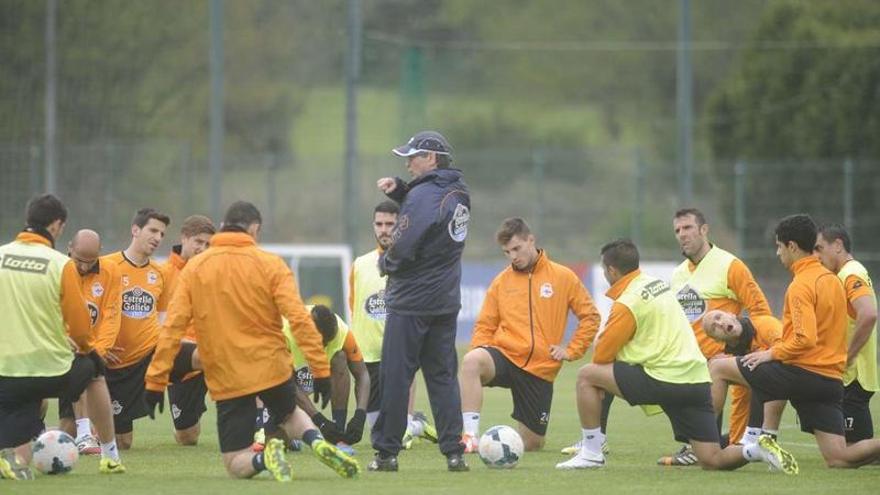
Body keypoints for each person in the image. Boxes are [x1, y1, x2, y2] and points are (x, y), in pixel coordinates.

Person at [144, 201, 360, 481]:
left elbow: (172, 327)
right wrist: (320, 370)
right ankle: (317, 441)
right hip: (271, 367)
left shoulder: (195, 268)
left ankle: (262, 459)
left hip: (227, 372)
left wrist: (155, 380)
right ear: (254, 229)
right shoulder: (271, 264)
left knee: (235, 462)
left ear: (222, 228)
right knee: (290, 412)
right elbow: (299, 319)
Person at [556, 239, 793, 473]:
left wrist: (614, 344)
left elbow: (602, 355)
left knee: (587, 375)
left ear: (610, 270)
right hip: (697, 380)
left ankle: (591, 452)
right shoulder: (656, 284)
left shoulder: (627, 302)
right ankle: (755, 450)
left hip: (664, 379)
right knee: (712, 459)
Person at [709, 214, 880, 468]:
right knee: (839, 457)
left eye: (779, 246)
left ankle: (704, 443)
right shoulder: (833, 280)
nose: (778, 253)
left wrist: (770, 353)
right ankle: (766, 438)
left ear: (792, 247)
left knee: (718, 366)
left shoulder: (800, 285)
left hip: (803, 374)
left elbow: (804, 339)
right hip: (830, 381)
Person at [0, 195, 125, 480]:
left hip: (5, 373)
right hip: (46, 371)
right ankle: (109, 454)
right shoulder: (59, 264)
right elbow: (81, 330)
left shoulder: (1, 255)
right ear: (57, 226)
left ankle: (13, 457)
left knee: (18, 432)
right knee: (94, 370)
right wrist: (87, 349)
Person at [370, 130, 470, 472]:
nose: (409, 163)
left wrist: (386, 262)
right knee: (443, 378)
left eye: (413, 157)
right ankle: (454, 451)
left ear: (432, 158)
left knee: (396, 377)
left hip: (411, 302)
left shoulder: (424, 195)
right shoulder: (459, 191)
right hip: (445, 301)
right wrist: (402, 192)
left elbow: (408, 239)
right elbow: (434, 221)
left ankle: (386, 453)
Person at [459, 217, 600, 452]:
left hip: (540, 370)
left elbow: (591, 317)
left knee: (532, 444)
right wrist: (481, 348)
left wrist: (572, 349)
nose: (513, 256)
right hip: (506, 356)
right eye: (507, 252)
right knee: (472, 361)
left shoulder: (563, 277)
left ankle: (504, 443)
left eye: (517, 248)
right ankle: (470, 436)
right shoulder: (501, 282)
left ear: (530, 240)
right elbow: (485, 325)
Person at [660, 208, 772, 465]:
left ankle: (706, 447)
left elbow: (760, 311)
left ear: (704, 229)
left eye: (687, 228)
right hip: (689, 361)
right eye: (677, 230)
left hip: (720, 360)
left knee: (717, 429)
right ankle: (699, 445)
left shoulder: (730, 265)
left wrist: (746, 349)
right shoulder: (678, 274)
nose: (682, 235)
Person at [349, 200, 436, 449]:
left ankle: (409, 423)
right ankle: (417, 424)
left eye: (390, 223)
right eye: (379, 224)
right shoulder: (359, 265)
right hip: (368, 354)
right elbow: (355, 306)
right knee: (377, 431)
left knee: (397, 434)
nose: (384, 229)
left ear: (401, 225)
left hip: (399, 347)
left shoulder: (413, 260)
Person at [95, 208, 171, 450]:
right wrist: (100, 345)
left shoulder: (160, 273)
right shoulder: (106, 265)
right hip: (106, 361)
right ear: (135, 230)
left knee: (123, 442)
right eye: (153, 230)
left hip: (141, 362)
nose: (158, 237)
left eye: (162, 233)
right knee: (112, 440)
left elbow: (162, 316)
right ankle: (45, 435)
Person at [58, 230, 123, 459]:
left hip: (91, 349)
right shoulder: (58, 270)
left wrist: (99, 350)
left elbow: (111, 314)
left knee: (65, 432)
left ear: (100, 254)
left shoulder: (111, 272)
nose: (84, 267)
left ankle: (84, 434)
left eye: (90, 262)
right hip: (62, 349)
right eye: (79, 261)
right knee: (84, 364)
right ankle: (86, 435)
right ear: (69, 249)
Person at [814, 224, 878, 444]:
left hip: (853, 375)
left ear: (838, 245)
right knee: (853, 450)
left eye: (820, 248)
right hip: (850, 375)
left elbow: (869, 315)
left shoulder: (851, 274)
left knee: (853, 453)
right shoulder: (844, 274)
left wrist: (848, 357)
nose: (817, 256)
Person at [281, 305, 371, 450]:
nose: (326, 347)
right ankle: (287, 432)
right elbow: (286, 385)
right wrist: (320, 420)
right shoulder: (285, 332)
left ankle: (338, 431)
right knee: (276, 441)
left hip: (313, 377)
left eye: (330, 341)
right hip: (282, 385)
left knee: (340, 356)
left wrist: (360, 415)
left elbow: (363, 375)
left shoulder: (342, 331)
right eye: (323, 343)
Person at [160, 214, 215, 446]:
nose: (202, 248)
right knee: (187, 437)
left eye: (207, 244)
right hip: (183, 361)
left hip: (213, 353)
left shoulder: (214, 273)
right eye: (198, 242)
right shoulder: (163, 274)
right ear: (184, 238)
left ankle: (269, 430)